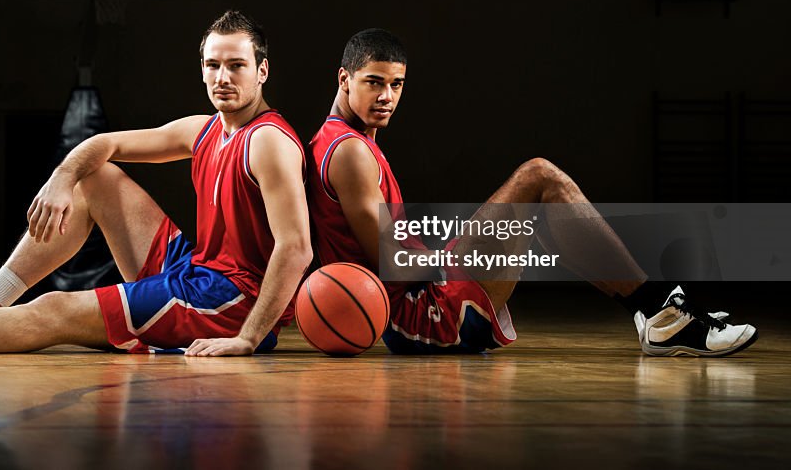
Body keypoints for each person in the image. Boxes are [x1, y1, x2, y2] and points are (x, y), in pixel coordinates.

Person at [0, 10, 312, 357]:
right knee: (95, 176)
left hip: (225, 303)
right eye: (213, 65)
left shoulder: (268, 142)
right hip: (199, 269)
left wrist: (247, 338)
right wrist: (61, 177)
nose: (222, 76)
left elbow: (295, 249)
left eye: (237, 65)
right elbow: (106, 144)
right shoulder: (205, 129)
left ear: (262, 71)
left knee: (55, 309)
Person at [306, 28, 757, 357]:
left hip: (419, 305)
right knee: (538, 178)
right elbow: (394, 265)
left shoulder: (338, 142)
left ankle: (658, 313)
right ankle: (662, 315)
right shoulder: (349, 152)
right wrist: (455, 245)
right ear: (343, 78)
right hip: (424, 317)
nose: (387, 96)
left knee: (539, 206)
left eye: (397, 84)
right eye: (374, 82)